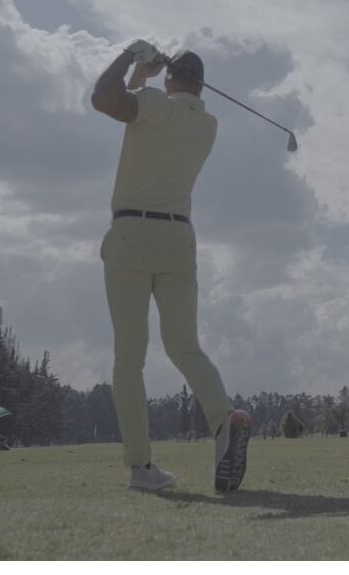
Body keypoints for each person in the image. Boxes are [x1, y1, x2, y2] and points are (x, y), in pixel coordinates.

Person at [92, 41, 252, 492]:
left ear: (170, 79)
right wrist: (147, 77)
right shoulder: (207, 124)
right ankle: (224, 420)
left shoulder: (155, 106)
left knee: (129, 357)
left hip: (130, 235)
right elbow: (136, 107)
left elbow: (103, 99)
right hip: (178, 238)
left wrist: (130, 56)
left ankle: (141, 468)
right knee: (184, 347)